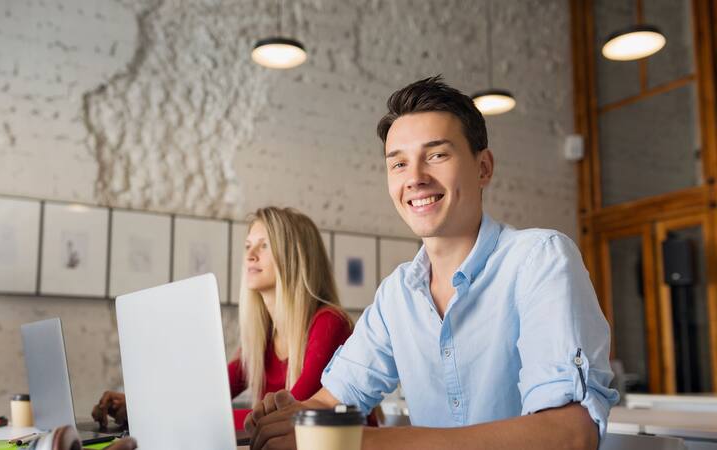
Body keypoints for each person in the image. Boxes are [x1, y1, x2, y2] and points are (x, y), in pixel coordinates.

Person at [246, 76, 619, 450]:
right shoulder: (397, 294)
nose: (416, 179)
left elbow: (570, 433)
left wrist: (356, 442)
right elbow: (331, 401)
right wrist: (287, 419)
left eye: (437, 155)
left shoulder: (540, 259)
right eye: (399, 164)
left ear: (484, 168)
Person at [92, 206, 353, 429]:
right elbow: (207, 396)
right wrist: (141, 407)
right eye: (248, 246)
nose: (250, 255)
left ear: (296, 258)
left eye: (265, 246)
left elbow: (287, 416)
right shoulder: (263, 337)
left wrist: (158, 417)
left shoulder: (329, 323)